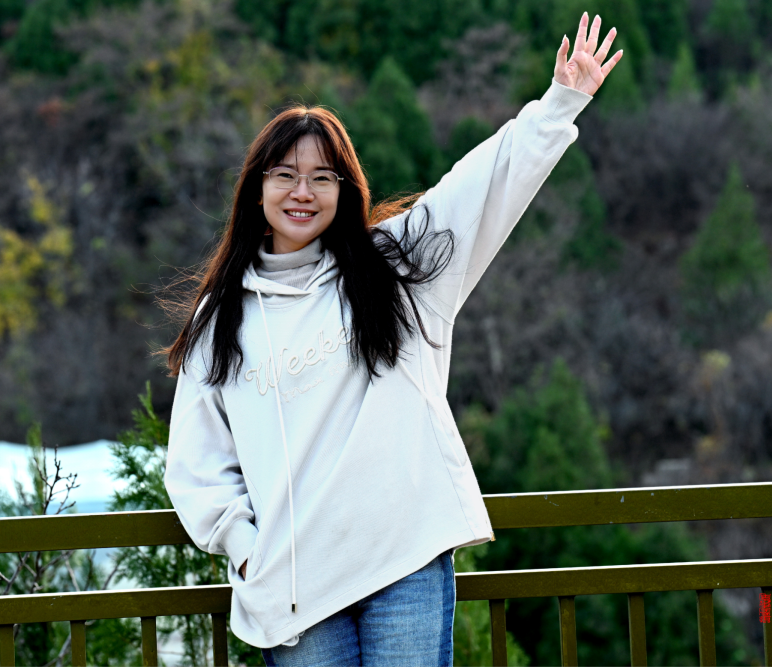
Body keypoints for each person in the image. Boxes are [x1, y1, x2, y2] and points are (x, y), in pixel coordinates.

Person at [163, 12, 621, 667]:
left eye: (322, 177)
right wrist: (243, 546)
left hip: (404, 561)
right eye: (284, 175)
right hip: (294, 587)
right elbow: (196, 463)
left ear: (344, 190)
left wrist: (558, 105)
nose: (302, 192)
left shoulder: (396, 266)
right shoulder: (222, 316)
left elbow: (479, 189)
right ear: (256, 189)